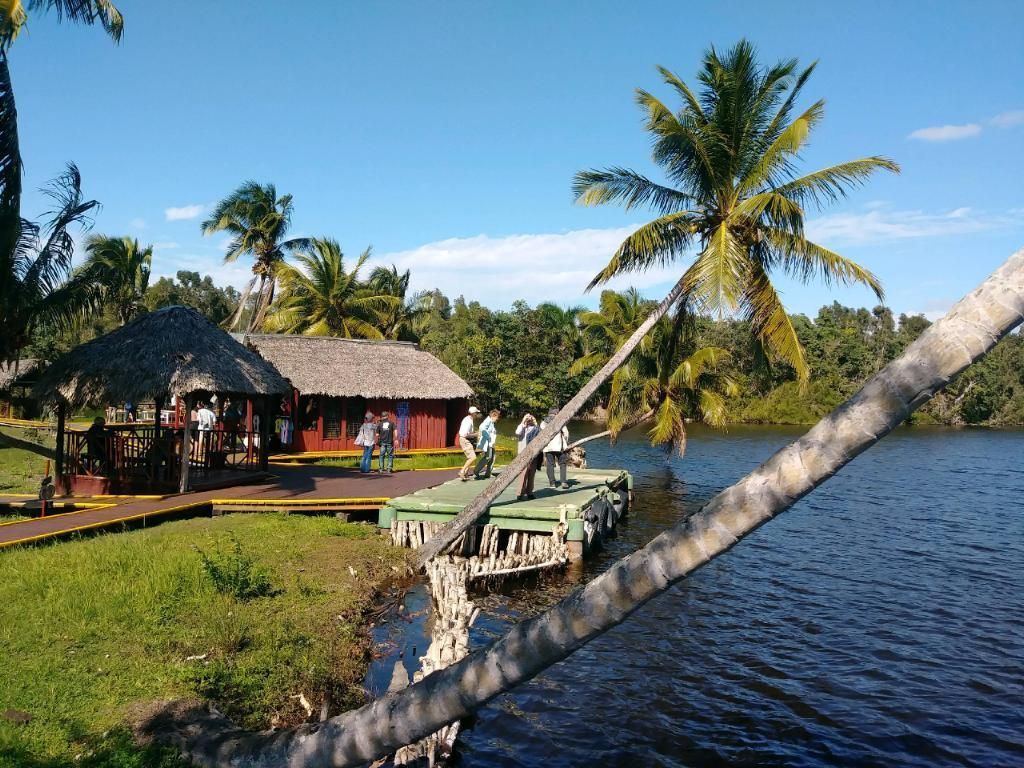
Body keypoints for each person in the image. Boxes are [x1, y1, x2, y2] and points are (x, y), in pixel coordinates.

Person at [540, 408, 570, 488]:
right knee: (562, 464)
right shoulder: (560, 421)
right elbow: (566, 433)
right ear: (556, 413)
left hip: (548, 447)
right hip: (560, 446)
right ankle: (563, 482)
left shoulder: (543, 422)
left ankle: (552, 483)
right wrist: (565, 442)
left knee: (550, 465)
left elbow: (541, 433)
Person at [514, 413, 539, 500]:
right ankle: (520, 493)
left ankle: (529, 492)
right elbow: (517, 432)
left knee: (531, 474)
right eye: (528, 419)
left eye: (530, 419)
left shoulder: (536, 429)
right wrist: (523, 422)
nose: (529, 421)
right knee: (523, 474)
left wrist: (535, 422)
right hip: (523, 453)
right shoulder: (522, 427)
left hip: (533, 454)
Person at [473, 409, 500, 479]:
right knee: (488, 457)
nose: (497, 419)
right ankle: (476, 470)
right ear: (493, 416)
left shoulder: (491, 422)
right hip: (488, 443)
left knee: (493, 457)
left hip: (491, 443)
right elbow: (481, 427)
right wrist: (488, 437)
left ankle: (488, 473)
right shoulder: (488, 421)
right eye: (497, 417)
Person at [457, 406, 482, 481]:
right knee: (472, 457)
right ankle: (462, 471)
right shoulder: (468, 421)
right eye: (476, 413)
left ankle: (466, 473)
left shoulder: (468, 419)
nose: (477, 414)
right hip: (465, 440)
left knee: (470, 457)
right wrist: (476, 434)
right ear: (473, 413)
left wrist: (474, 433)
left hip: (466, 440)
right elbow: (465, 434)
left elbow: (467, 432)